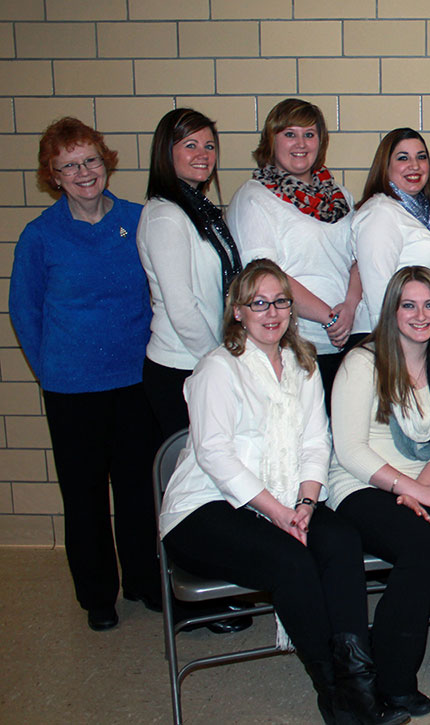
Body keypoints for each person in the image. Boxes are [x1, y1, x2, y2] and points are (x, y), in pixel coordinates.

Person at [158, 260, 407, 725]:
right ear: (237, 311)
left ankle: (360, 685)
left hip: (288, 495)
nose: (271, 313)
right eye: (259, 303)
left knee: (341, 540)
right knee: (292, 560)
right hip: (204, 507)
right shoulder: (218, 368)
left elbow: (316, 443)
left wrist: (307, 503)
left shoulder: (302, 364)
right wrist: (278, 512)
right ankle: (336, 696)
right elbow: (214, 455)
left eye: (280, 302)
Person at [9, 117, 159, 632]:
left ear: (106, 162)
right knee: (85, 495)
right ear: (53, 176)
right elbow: (25, 311)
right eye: (69, 166)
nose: (83, 172)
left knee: (139, 491)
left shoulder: (138, 220)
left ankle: (143, 580)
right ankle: (98, 595)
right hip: (72, 389)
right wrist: (52, 369)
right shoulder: (40, 236)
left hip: (136, 381)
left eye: (90, 160)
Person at [327, 266, 430, 715]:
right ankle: (392, 677)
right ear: (392, 311)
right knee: (425, 548)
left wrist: (420, 490)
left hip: (422, 483)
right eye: (409, 305)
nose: (421, 315)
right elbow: (349, 450)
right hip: (361, 484)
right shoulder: (362, 363)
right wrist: (406, 489)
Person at [228, 98, 367, 401]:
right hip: (291, 344)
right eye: (289, 134)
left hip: (346, 341)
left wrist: (349, 306)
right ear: (271, 140)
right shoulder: (255, 198)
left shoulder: (339, 196)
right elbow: (264, 276)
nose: (301, 144)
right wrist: (329, 318)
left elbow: (359, 258)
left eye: (309, 134)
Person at [138, 108, 243, 439]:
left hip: (203, 360)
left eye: (209, 146)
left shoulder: (199, 210)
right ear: (166, 152)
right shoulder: (166, 216)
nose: (203, 154)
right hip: (181, 366)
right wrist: (219, 362)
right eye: (190, 145)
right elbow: (182, 308)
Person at [353, 128, 430, 330]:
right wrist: (392, 344)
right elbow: (379, 295)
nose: (415, 166)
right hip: (387, 336)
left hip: (418, 332)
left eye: (421, 157)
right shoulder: (380, 213)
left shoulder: (421, 214)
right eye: (403, 158)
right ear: (385, 166)